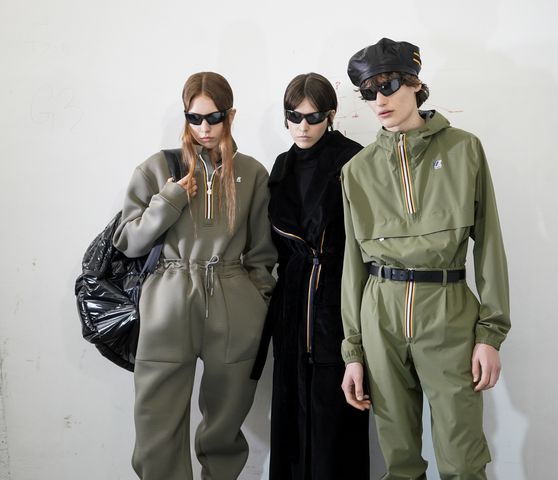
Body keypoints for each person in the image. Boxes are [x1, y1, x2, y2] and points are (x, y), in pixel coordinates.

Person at [339, 38, 511, 480]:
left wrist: (490, 334)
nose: (380, 99)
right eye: (368, 91)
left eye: (389, 85)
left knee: (462, 456)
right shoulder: (356, 170)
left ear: (414, 84)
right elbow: (352, 266)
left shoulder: (463, 149)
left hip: (448, 310)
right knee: (398, 458)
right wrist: (353, 351)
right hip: (381, 314)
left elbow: (489, 242)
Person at [113, 71, 276, 480]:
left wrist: (257, 297)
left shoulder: (252, 173)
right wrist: (169, 199)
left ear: (231, 114)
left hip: (234, 300)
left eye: (214, 117)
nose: (204, 128)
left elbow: (262, 253)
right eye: (195, 117)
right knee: (156, 422)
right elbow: (127, 241)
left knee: (225, 424)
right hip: (168, 301)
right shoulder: (157, 168)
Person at [251, 72, 369, 480]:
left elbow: (369, 239)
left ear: (331, 115)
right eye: (293, 116)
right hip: (290, 305)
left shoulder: (355, 159)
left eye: (313, 116)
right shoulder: (280, 166)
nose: (302, 126)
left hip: (338, 302)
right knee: (289, 420)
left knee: (334, 423)